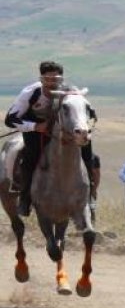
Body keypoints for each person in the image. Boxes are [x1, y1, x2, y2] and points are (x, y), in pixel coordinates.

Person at [5, 61, 95, 217]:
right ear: (41, 79)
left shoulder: (70, 92)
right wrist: (35, 127)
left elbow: (88, 113)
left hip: (63, 131)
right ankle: (25, 198)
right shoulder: (30, 93)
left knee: (87, 150)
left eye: (56, 79)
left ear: (61, 79)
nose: (52, 83)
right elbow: (10, 119)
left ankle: (89, 193)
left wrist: (86, 127)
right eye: (48, 79)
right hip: (35, 130)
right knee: (30, 156)